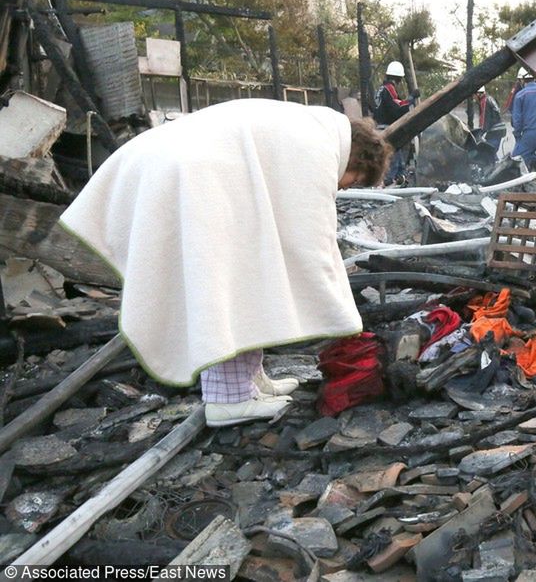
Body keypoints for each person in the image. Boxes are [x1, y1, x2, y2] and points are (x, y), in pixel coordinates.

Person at [60, 99, 390, 427]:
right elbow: (312, 238)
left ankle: (248, 379)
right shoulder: (319, 148)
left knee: (252, 267)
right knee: (224, 278)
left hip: (186, 169)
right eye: (354, 179)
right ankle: (228, 399)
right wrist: (343, 317)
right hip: (184, 174)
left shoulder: (318, 127)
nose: (345, 186)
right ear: (356, 158)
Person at [374, 60, 419, 184]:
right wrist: (411, 99)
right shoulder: (389, 88)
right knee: (393, 157)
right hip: (388, 127)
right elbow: (397, 107)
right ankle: (389, 181)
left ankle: (400, 178)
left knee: (397, 158)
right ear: (398, 78)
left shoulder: (381, 89)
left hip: (380, 126)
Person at [472, 86, 506, 156]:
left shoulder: (484, 101)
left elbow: (484, 119)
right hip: (498, 129)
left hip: (495, 130)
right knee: (491, 153)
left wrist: (479, 133)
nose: (473, 98)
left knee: (488, 153)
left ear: (478, 94)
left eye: (473, 95)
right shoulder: (489, 98)